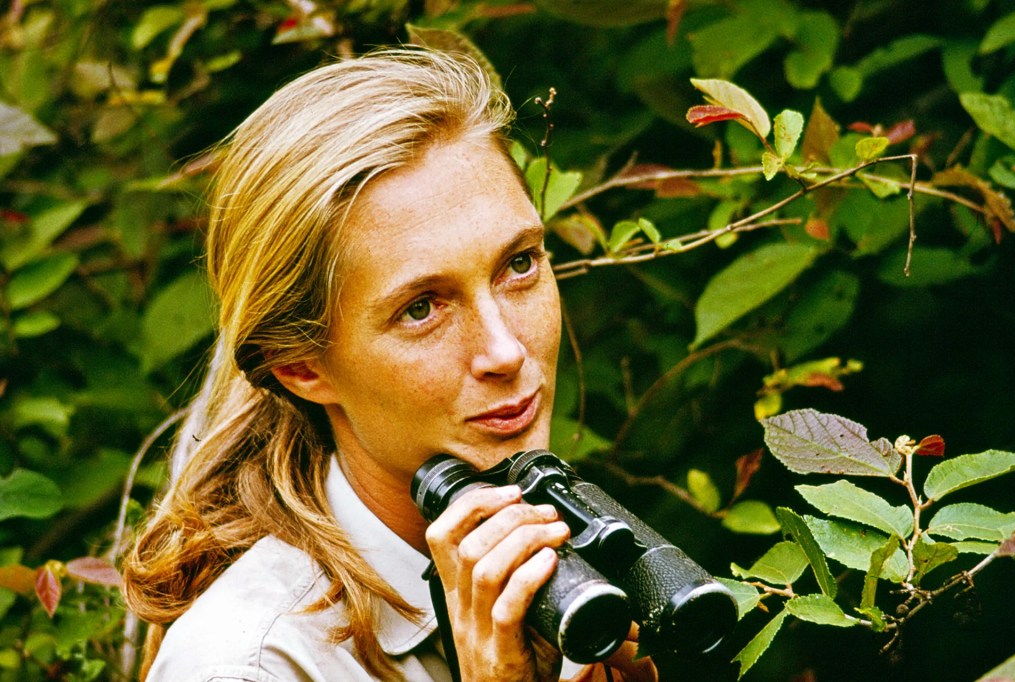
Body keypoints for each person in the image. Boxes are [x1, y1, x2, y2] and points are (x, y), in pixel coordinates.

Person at [121, 47, 658, 682]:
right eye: (422, 308)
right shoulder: (247, 664)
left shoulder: (559, 564)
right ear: (301, 367)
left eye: (519, 265)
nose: (506, 351)